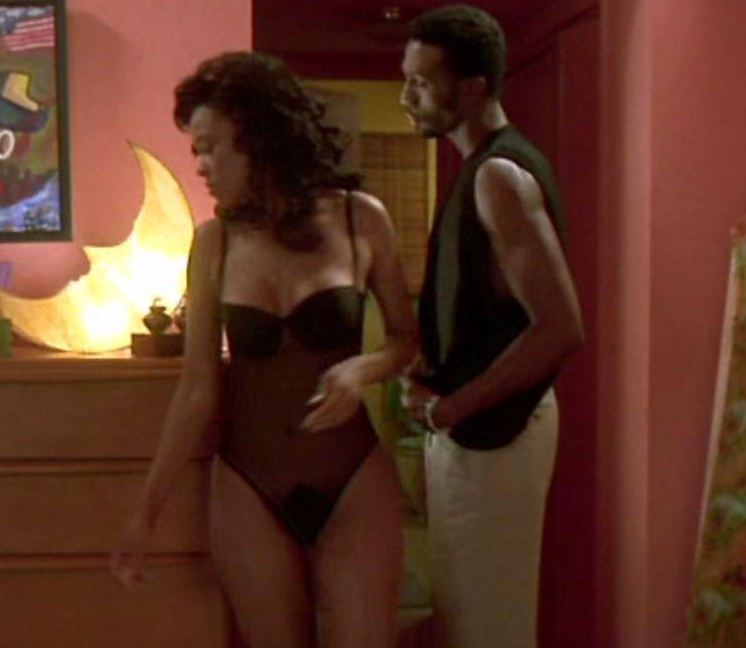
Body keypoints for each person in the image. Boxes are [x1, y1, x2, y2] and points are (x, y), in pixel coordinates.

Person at [111, 51, 419, 648]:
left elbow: (407, 340)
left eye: (209, 147)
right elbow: (198, 389)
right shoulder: (214, 244)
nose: (200, 165)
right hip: (249, 484)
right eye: (196, 150)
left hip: (352, 476)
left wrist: (364, 368)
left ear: (257, 136)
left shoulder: (361, 220)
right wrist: (144, 515)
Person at [397, 5, 585, 647]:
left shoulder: (499, 175)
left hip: (495, 433)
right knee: (469, 623)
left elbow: (560, 328)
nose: (407, 97)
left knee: (489, 629)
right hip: (478, 430)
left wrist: (451, 407)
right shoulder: (479, 170)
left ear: (474, 87)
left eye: (422, 82)